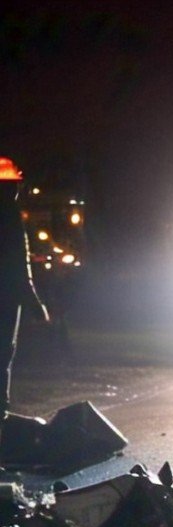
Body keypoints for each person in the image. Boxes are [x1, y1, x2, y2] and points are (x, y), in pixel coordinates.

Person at [0, 156, 49, 451]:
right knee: (2, 357)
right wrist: (35, 302)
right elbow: (19, 265)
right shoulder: (9, 216)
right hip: (5, 298)